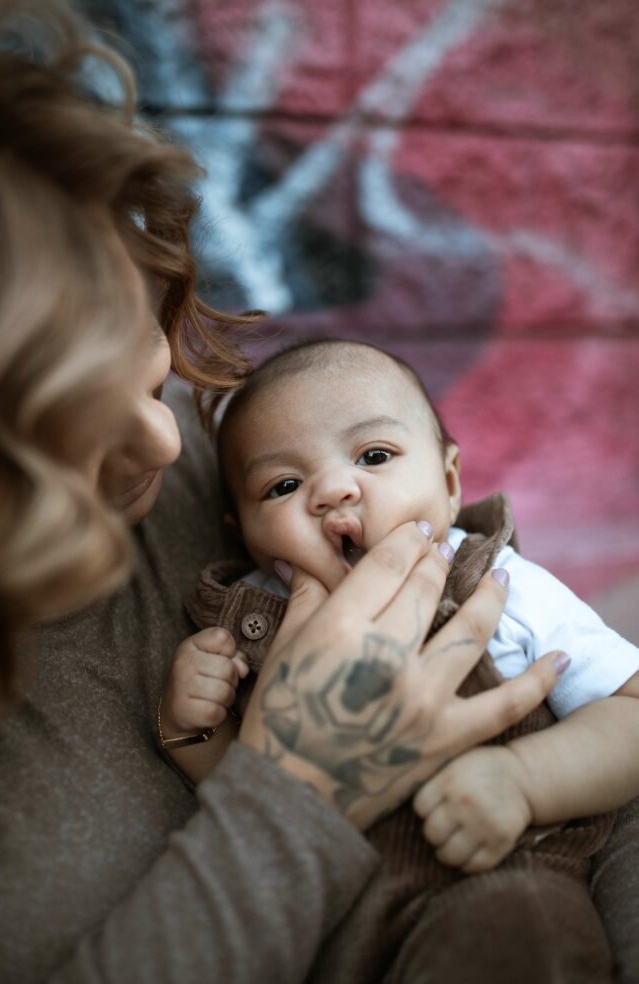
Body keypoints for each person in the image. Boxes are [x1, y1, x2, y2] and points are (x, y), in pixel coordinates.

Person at [0, 0, 587, 984]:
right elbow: (232, 775)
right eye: (66, 426)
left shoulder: (226, 477)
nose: (166, 447)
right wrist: (294, 780)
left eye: (147, 354)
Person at [163, 338, 639, 982]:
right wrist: (197, 732)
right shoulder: (247, 626)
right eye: (282, 485)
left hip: (492, 896)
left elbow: (629, 709)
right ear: (240, 530)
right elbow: (254, 803)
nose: (333, 490)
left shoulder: (498, 583)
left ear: (448, 484)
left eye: (375, 455)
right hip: (325, 926)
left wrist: (525, 780)